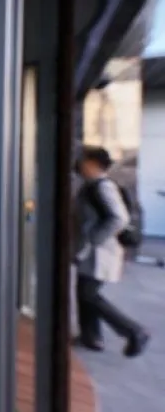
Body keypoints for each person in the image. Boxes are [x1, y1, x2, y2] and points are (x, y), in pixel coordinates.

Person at [73, 146, 149, 357]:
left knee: (89, 294)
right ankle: (91, 337)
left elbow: (119, 218)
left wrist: (94, 238)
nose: (79, 164)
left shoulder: (103, 187)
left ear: (93, 164)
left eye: (83, 160)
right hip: (91, 251)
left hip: (100, 252)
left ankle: (134, 331)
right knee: (84, 292)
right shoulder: (91, 186)